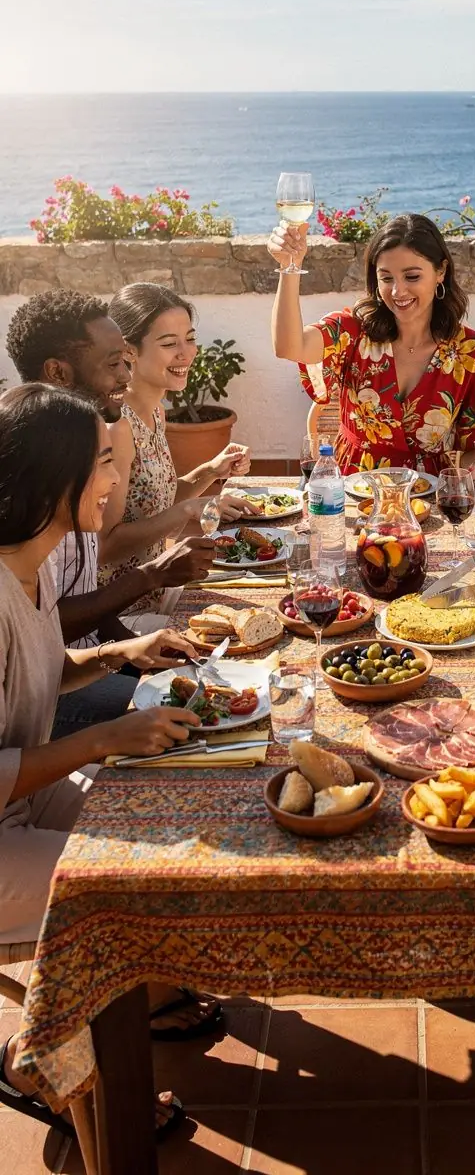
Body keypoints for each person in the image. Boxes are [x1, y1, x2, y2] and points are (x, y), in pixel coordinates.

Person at [0, 384, 218, 1142]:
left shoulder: (28, 566)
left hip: (22, 800)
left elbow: (37, 671)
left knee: (174, 819)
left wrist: (118, 654)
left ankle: (125, 1015)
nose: (113, 480)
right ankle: (45, 1066)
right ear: (50, 477)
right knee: (127, 901)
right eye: (100, 464)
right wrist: (100, 740)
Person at [5, 290, 221, 738]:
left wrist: (127, 649)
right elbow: (36, 632)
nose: (126, 374)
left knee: (212, 691)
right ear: (58, 373)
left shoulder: (82, 456)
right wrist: (148, 579)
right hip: (48, 709)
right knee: (205, 720)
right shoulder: (36, 481)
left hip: (74, 667)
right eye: (113, 363)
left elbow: (57, 628)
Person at [269, 213, 475, 491]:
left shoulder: (472, 352)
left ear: (440, 271)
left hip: (430, 496)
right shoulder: (351, 332)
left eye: (412, 276)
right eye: (386, 278)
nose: (398, 291)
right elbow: (289, 346)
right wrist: (290, 267)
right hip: (352, 492)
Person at [100, 283, 253, 616]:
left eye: (190, 338)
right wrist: (188, 511)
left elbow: (154, 501)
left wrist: (210, 471)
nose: (187, 353)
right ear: (128, 351)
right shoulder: (118, 428)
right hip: (122, 615)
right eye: (170, 344)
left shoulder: (154, 410)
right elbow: (105, 546)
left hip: (157, 590)